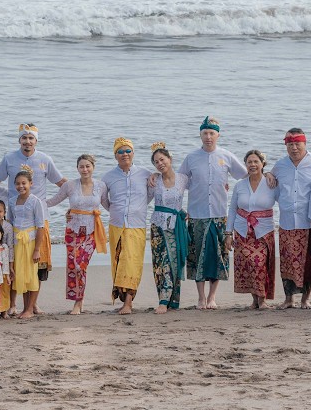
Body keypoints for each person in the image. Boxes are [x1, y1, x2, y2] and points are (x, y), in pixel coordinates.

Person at [175, 116, 249, 310]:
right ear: (200, 134)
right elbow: (178, 183)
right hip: (196, 215)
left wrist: (267, 176)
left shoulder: (226, 156)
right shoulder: (191, 157)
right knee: (197, 256)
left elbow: (246, 176)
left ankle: (212, 297)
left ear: (218, 135)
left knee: (218, 257)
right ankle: (200, 297)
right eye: (205, 133)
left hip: (219, 215)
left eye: (211, 133)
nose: (208, 137)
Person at [0, 124, 67, 305]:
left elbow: (62, 183)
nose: (27, 141)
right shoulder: (9, 158)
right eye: (24, 138)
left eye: (31, 138)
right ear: (19, 140)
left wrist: (51, 203)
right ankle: (13, 304)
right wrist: (4, 198)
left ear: (36, 141)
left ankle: (34, 304)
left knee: (38, 263)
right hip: (15, 219)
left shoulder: (45, 159)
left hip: (39, 221)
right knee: (13, 263)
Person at [271, 128, 311, 309]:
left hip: (309, 220)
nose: (294, 148)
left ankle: (305, 299)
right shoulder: (280, 165)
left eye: (297, 144)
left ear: (305, 143)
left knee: (309, 262)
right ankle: (289, 299)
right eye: (290, 144)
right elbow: (270, 183)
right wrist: (267, 174)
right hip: (287, 221)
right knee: (287, 260)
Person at [45, 153, 107, 314]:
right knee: (73, 267)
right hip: (72, 231)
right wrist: (31, 201)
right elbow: (53, 201)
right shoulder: (70, 186)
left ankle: (79, 301)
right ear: (77, 168)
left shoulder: (101, 186)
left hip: (92, 231)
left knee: (81, 265)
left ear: (93, 167)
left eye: (88, 166)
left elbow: (108, 205)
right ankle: (78, 302)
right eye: (81, 166)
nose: (85, 169)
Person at [100, 137, 150, 315]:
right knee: (119, 262)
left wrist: (137, 209)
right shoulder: (108, 177)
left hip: (137, 226)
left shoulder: (145, 174)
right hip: (116, 226)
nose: (124, 154)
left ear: (133, 153)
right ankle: (123, 298)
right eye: (120, 151)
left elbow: (150, 195)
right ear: (115, 155)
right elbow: (103, 200)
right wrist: (116, 211)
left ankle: (128, 302)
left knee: (132, 263)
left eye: (128, 151)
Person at [226, 149, 278, 309]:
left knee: (259, 263)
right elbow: (232, 209)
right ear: (246, 165)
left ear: (263, 164)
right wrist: (228, 233)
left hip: (264, 231)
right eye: (249, 162)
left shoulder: (271, 183)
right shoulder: (240, 185)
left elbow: (286, 201)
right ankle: (255, 300)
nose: (253, 165)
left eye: (256, 161)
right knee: (248, 265)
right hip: (242, 231)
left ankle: (262, 300)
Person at [146, 143, 189, 313]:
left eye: (162, 159)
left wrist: (222, 187)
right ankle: (163, 300)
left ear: (170, 159)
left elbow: (201, 190)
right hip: (158, 226)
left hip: (176, 225)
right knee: (161, 263)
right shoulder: (154, 180)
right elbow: (142, 200)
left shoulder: (183, 178)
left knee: (174, 262)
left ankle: (172, 300)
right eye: (156, 162)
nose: (160, 164)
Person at [9, 166, 50, 318]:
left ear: (31, 183)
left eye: (24, 183)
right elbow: (10, 222)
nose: (21, 186)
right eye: (18, 183)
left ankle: (29, 309)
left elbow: (40, 226)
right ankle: (24, 308)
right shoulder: (12, 201)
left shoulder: (35, 202)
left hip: (31, 242)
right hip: (17, 242)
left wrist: (37, 249)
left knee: (31, 275)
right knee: (21, 275)